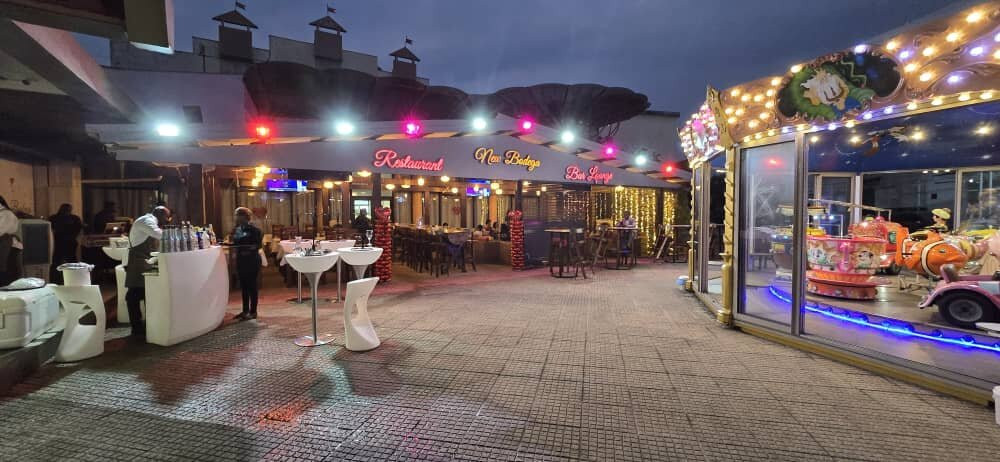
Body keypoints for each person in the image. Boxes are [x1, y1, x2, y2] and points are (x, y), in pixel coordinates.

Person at [124, 206, 170, 340]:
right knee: (133, 295)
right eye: (167, 217)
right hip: (138, 261)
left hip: (147, 261)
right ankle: (137, 328)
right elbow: (159, 234)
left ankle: (147, 325)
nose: (167, 220)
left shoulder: (152, 221)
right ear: (160, 214)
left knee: (147, 293)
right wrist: (177, 233)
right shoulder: (146, 220)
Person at [229, 207, 263, 320]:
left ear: (244, 217)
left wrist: (246, 248)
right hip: (241, 260)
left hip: (252, 260)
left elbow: (258, 245)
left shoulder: (254, 230)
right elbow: (235, 242)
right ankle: (245, 311)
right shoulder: (237, 229)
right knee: (243, 286)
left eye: (238, 215)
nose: (236, 218)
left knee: (252, 286)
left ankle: (253, 311)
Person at [49, 204, 85, 283]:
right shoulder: (55, 218)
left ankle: (65, 278)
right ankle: (60, 279)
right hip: (60, 242)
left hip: (65, 242)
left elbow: (79, 228)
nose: (67, 211)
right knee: (58, 261)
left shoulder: (73, 218)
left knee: (67, 261)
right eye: (66, 210)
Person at [0, 195, 23, 287]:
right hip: (5, 247)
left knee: (7, 279)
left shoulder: (6, 214)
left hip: (8, 249)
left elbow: (1, 230)